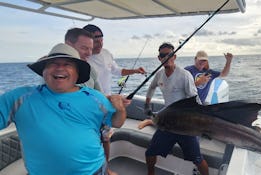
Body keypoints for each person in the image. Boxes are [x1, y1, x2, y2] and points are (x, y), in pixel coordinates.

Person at [0, 43, 130, 175]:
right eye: (53, 64)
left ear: (77, 73)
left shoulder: (95, 97)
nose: (59, 68)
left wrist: (120, 110)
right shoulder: (18, 98)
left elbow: (117, 122)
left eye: (67, 64)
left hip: (94, 170)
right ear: (43, 71)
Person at [139, 42, 209, 175]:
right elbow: (151, 88)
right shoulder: (159, 75)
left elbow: (195, 100)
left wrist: (200, 121)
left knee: (197, 159)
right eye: (162, 55)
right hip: (167, 123)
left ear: (174, 56)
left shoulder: (184, 75)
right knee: (150, 152)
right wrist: (147, 104)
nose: (166, 57)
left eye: (169, 55)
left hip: (186, 125)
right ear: (159, 58)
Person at [65, 28, 116, 175]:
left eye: (90, 48)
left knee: (105, 139)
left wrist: (115, 101)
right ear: (68, 45)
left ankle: (106, 170)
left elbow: (100, 96)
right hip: (72, 130)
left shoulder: (90, 70)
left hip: (92, 124)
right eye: (84, 48)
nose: (89, 53)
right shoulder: (55, 71)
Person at [83, 24, 146, 95]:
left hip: (106, 98)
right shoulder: (80, 58)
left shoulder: (106, 53)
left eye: (101, 41)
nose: (100, 44)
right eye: (96, 42)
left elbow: (117, 70)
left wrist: (135, 71)